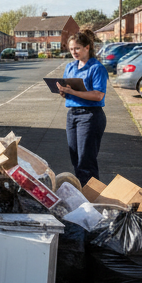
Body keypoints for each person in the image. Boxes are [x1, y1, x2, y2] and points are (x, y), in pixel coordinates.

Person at [56, 28, 109, 185]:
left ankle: (92, 199)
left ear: (87, 47)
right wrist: (64, 92)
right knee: (76, 159)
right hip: (72, 114)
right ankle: (82, 195)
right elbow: (70, 91)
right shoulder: (70, 67)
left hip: (90, 116)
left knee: (86, 161)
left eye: (77, 48)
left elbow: (98, 95)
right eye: (71, 49)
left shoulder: (96, 68)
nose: (74, 52)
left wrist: (72, 91)